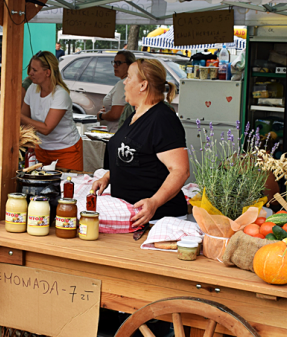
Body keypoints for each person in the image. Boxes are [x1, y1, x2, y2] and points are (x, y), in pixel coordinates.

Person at [92, 58, 189, 227]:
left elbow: (181, 171)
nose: (124, 82)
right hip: (132, 215)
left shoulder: (162, 119)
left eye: (129, 77)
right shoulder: (135, 115)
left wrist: (154, 202)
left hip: (158, 219)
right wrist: (109, 176)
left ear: (143, 85)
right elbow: (137, 158)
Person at [21, 51, 83, 171]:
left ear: (47, 72)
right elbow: (24, 121)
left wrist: (18, 116)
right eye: (30, 69)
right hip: (42, 149)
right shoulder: (32, 89)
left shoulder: (60, 94)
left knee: (68, 186)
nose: (30, 73)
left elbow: (46, 129)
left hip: (66, 151)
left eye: (34, 70)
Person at [97, 51, 134, 132]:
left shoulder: (122, 84)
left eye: (118, 63)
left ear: (130, 65)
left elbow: (115, 114)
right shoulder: (129, 82)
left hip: (117, 131)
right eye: (114, 62)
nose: (114, 66)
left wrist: (101, 115)